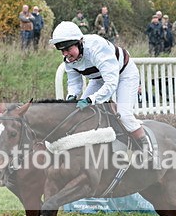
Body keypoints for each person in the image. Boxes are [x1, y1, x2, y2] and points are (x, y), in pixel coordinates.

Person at [49, 20, 152, 160]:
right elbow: (74, 82)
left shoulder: (96, 48)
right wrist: (72, 97)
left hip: (124, 75)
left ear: (79, 42)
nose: (66, 54)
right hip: (98, 79)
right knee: (80, 112)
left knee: (124, 114)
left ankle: (148, 150)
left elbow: (111, 83)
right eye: (62, 51)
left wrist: (90, 99)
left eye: (68, 49)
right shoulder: (68, 60)